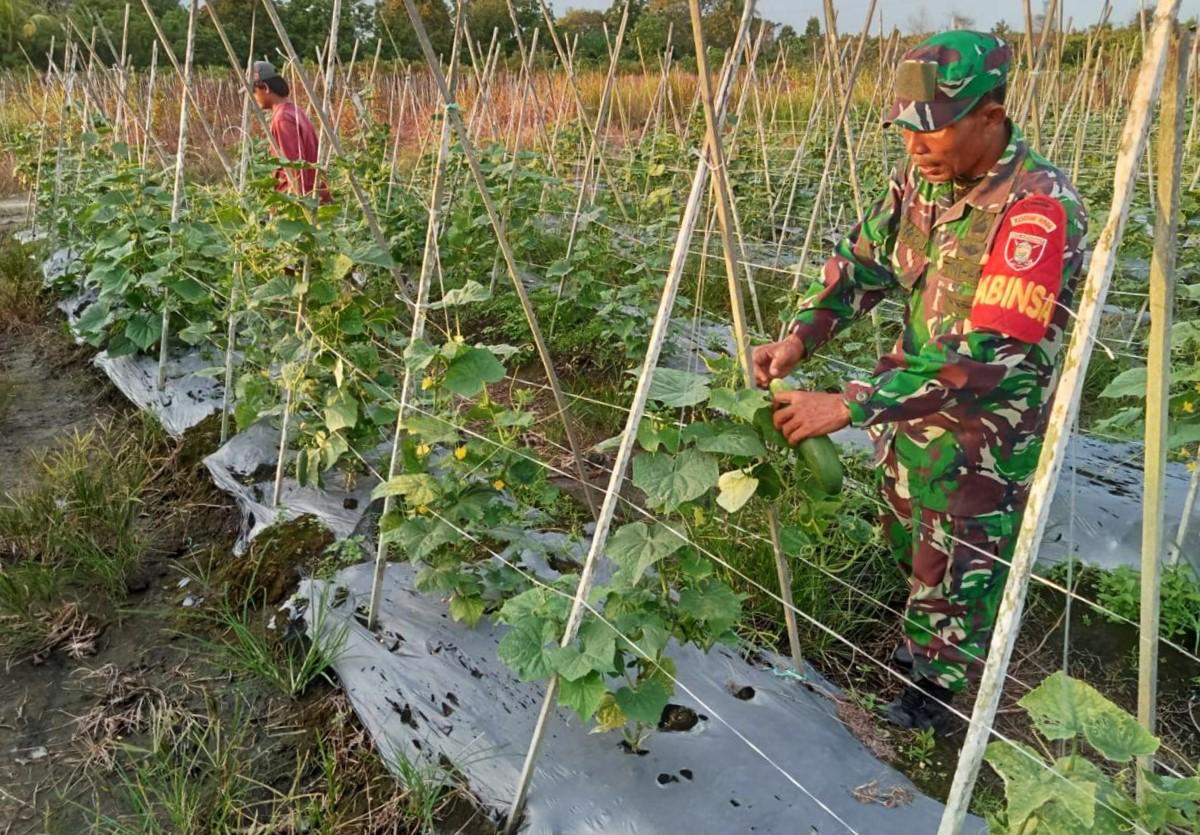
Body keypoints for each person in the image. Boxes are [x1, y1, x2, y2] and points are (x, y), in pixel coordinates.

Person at [752, 31, 1088, 732]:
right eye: (908, 130)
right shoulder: (921, 186)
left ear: (990, 118)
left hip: (979, 449)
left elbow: (990, 354)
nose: (915, 147)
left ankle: (929, 716)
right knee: (918, 559)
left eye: (933, 131)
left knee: (956, 581)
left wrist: (849, 402)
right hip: (908, 433)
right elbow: (861, 264)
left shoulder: (1035, 211)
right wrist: (799, 336)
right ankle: (914, 657)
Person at [252, 60, 330, 203]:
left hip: (299, 201)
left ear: (266, 88)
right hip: (313, 194)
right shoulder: (294, 110)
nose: (254, 96)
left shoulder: (283, 119)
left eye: (254, 90)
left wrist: (299, 203)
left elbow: (293, 166)